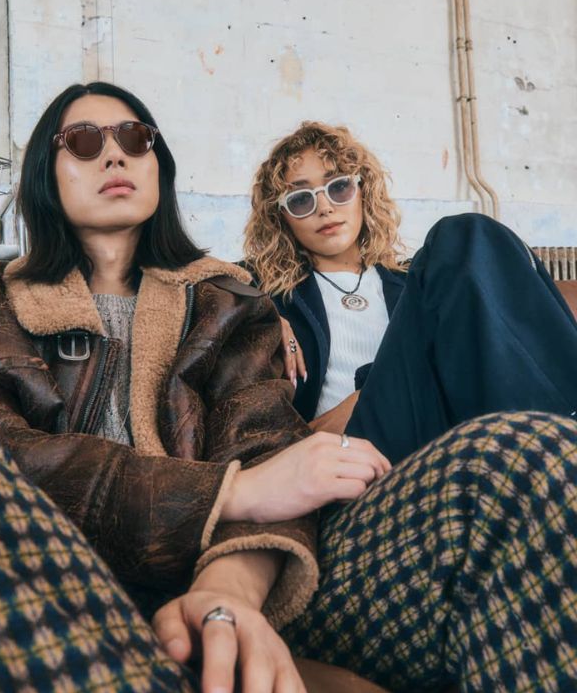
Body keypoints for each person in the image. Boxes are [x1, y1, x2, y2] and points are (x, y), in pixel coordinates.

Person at [0, 88, 575, 693]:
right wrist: (227, 493)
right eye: (83, 141)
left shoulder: (230, 306)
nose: (114, 153)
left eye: (136, 137)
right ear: (45, 174)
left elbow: (270, 458)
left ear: (159, 163)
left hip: (241, 581)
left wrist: (227, 594)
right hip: (36, 589)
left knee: (525, 453)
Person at [243, 119, 577, 460]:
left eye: (339, 187)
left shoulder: (418, 285)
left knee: (471, 238)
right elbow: (209, 274)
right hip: (352, 444)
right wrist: (256, 307)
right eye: (301, 200)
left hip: (433, 427)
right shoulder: (269, 292)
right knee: (459, 237)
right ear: (281, 217)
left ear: (363, 192)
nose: (325, 207)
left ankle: (554, 434)